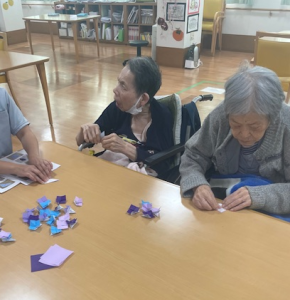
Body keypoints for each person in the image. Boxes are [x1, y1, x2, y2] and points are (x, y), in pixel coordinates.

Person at [180, 62, 290, 214]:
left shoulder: (286, 125)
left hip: (272, 215)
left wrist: (260, 195)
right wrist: (197, 184)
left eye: (255, 127)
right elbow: (193, 156)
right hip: (224, 205)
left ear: (272, 118)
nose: (244, 135)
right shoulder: (221, 116)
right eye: (236, 125)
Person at [76, 56, 174, 175]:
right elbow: (82, 141)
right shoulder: (117, 108)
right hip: (107, 174)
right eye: (118, 82)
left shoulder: (161, 117)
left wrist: (126, 148)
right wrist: (84, 131)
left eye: (123, 86)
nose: (115, 89)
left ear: (143, 98)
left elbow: (163, 164)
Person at [0, 87, 52, 183]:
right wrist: (16, 168)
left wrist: (34, 157)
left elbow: (24, 132)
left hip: (7, 171)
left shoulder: (2, 95)